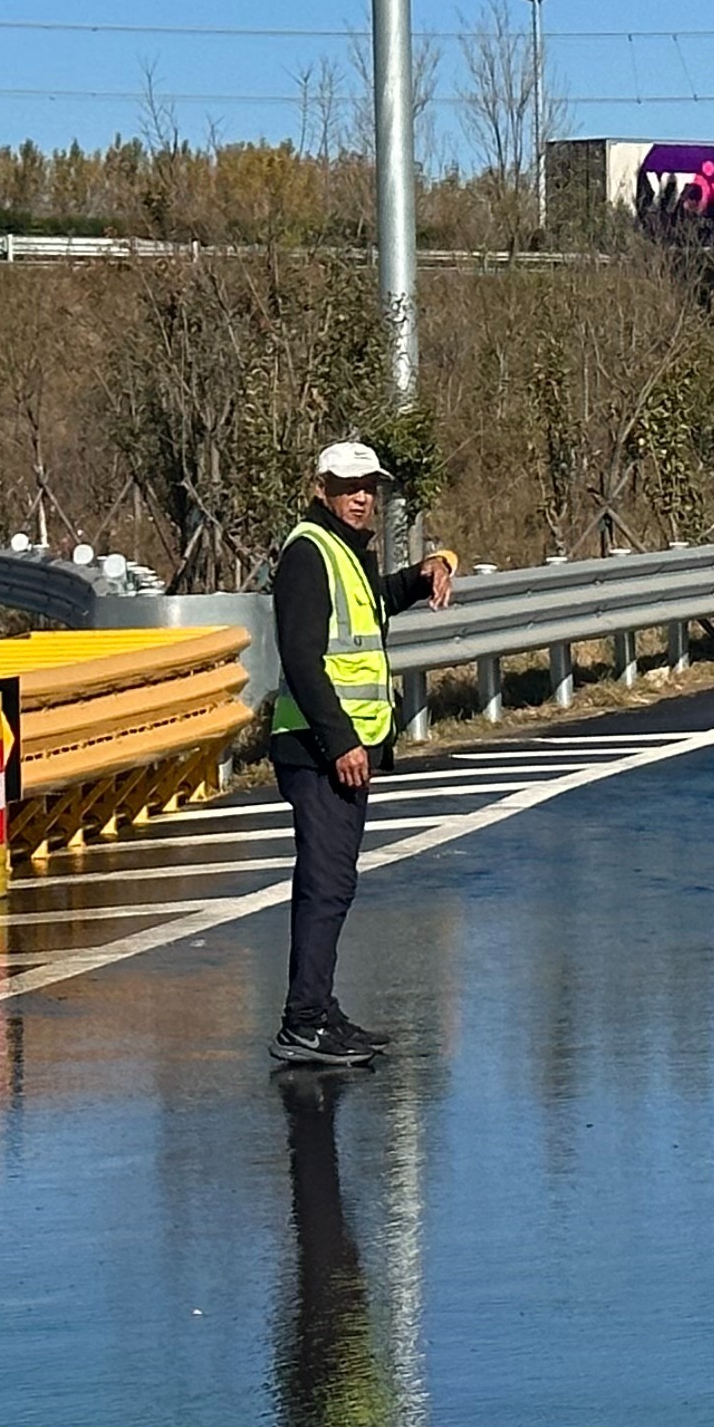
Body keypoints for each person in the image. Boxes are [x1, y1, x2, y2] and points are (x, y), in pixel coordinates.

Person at [266, 442, 456, 1069]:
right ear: (321, 487)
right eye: (349, 485)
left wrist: (423, 572)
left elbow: (370, 607)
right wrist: (341, 740)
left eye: (370, 487)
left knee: (331, 884)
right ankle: (303, 1022)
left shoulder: (343, 552)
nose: (362, 496)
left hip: (340, 747)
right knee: (326, 885)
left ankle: (317, 1009)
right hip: (320, 749)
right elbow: (301, 658)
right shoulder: (307, 554)